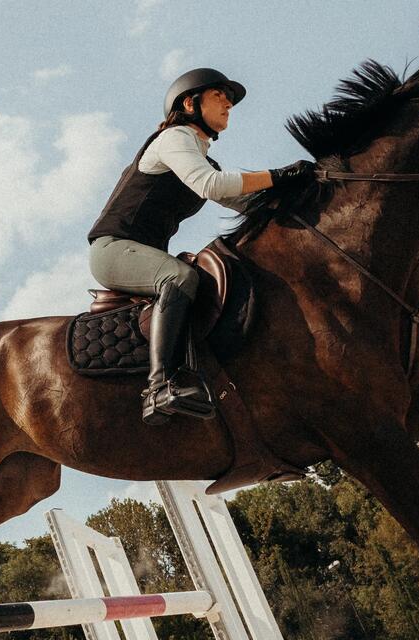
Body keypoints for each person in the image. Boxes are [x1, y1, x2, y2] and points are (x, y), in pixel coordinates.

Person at [87, 68, 315, 424]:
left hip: (139, 253)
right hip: (113, 249)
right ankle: (160, 386)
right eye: (219, 95)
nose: (228, 103)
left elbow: (243, 202)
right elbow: (213, 186)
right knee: (179, 278)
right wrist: (278, 175)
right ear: (190, 103)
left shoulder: (200, 156)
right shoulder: (173, 138)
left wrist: (299, 193)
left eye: (229, 98)